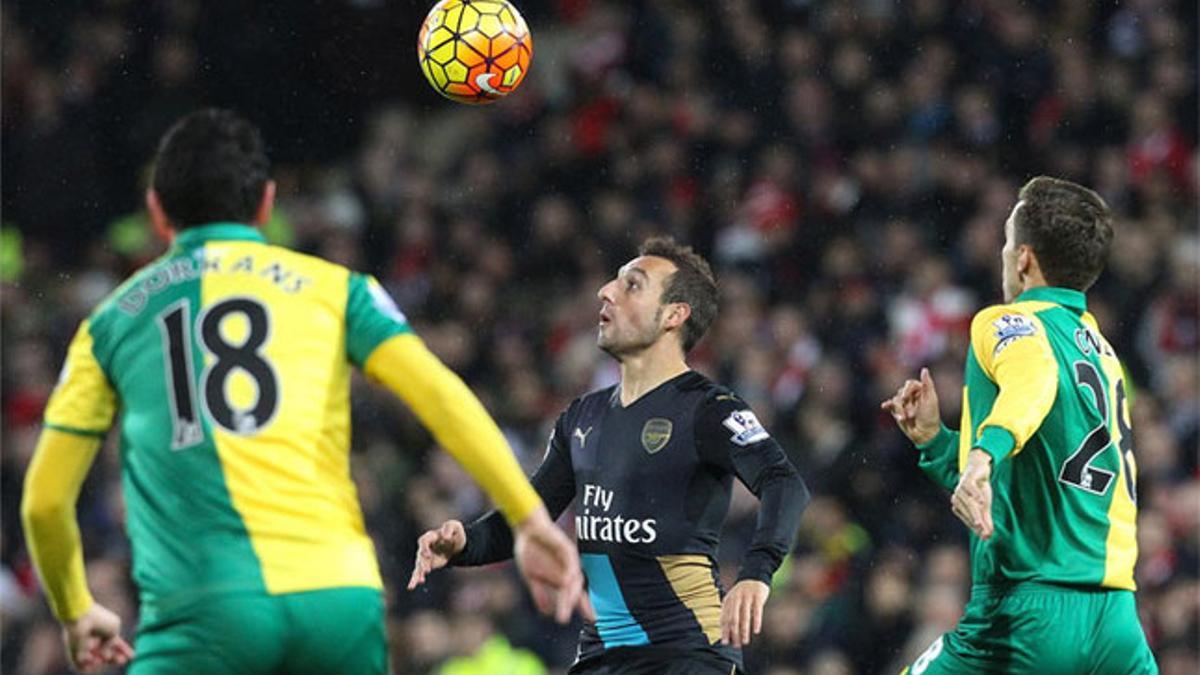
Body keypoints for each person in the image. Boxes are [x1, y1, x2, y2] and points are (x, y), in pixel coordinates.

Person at [20, 108, 585, 675]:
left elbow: (45, 503)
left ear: (157, 213)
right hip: (337, 599)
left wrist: (74, 610)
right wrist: (529, 520)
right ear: (266, 204)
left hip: (206, 612)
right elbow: (441, 395)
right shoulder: (337, 289)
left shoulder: (110, 323)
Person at [410, 237, 811, 674]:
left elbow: (783, 482)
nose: (606, 291)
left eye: (632, 285)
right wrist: (465, 543)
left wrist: (756, 572)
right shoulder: (583, 417)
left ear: (674, 316)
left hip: (687, 653)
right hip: (603, 655)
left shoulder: (709, 409)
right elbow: (530, 519)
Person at [882, 176, 1157, 674]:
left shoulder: (1008, 322)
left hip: (1029, 612)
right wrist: (939, 444)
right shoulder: (1102, 352)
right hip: (1117, 620)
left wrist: (983, 455)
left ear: (1024, 258)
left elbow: (1032, 380)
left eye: (1007, 242)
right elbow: (1031, 487)